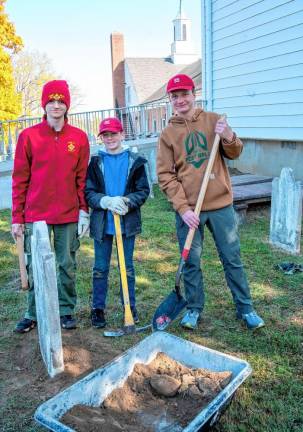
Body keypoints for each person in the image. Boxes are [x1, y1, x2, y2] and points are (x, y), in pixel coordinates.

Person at [157, 73, 265, 330]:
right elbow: (165, 175)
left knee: (232, 257)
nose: (181, 100)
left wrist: (227, 134)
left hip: (220, 207)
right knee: (191, 262)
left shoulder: (215, 121)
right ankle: (193, 308)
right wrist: (183, 209)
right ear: (171, 100)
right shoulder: (168, 134)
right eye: (175, 96)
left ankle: (246, 308)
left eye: (185, 94)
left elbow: (235, 152)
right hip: (190, 212)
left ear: (194, 95)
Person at [12, 80, 90, 333]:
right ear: (44, 104)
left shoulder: (78, 138)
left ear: (67, 105)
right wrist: (17, 217)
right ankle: (33, 312)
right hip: (37, 215)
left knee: (66, 264)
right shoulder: (28, 136)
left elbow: (82, 178)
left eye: (61, 101)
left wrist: (83, 210)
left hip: (67, 213)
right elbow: (20, 178)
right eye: (51, 101)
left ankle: (66, 309)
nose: (56, 106)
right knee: (36, 265)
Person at [85, 117, 150, 328]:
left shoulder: (135, 161)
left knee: (127, 268)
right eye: (105, 135)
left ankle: (129, 306)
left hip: (126, 223)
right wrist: (104, 201)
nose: (110, 138)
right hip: (103, 224)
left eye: (114, 134)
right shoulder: (95, 163)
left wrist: (127, 201)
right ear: (101, 138)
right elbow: (89, 192)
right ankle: (98, 309)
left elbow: (143, 191)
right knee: (100, 268)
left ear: (122, 135)